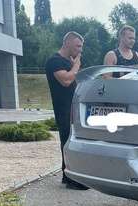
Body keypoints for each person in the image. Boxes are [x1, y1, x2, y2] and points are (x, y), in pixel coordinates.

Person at [45, 31, 88, 189]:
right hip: (63, 109)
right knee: (68, 142)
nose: (80, 50)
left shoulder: (68, 61)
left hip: (74, 108)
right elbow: (66, 80)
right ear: (67, 43)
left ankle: (69, 175)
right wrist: (76, 65)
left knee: (73, 141)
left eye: (81, 47)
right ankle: (70, 179)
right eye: (78, 46)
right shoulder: (54, 61)